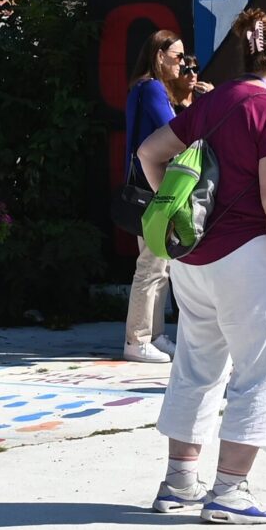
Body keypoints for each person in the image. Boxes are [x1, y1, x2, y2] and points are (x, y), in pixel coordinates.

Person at [134, 8, 266, 526]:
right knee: (262, 369)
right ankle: (231, 492)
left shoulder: (213, 102)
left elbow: (150, 153)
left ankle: (177, 484)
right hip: (248, 257)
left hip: (194, 259)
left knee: (196, 364)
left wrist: (185, 218)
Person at [121, 29, 189, 364]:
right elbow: (176, 132)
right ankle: (137, 340)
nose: (183, 64)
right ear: (159, 55)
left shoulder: (145, 88)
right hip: (151, 186)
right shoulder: (150, 89)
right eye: (177, 57)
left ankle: (155, 335)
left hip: (148, 185)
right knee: (151, 264)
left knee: (160, 264)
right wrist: (191, 107)